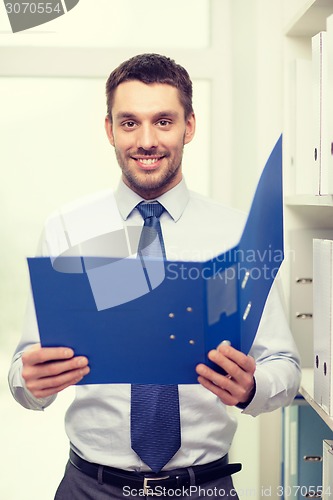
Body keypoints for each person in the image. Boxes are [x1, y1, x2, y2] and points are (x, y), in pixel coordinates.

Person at [8, 53, 301, 499]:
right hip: (90, 487)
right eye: (129, 123)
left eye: (163, 121)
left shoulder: (237, 233)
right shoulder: (67, 227)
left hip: (206, 488)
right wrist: (29, 385)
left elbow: (284, 365)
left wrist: (252, 388)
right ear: (109, 129)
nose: (146, 140)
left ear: (190, 126)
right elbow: (25, 370)